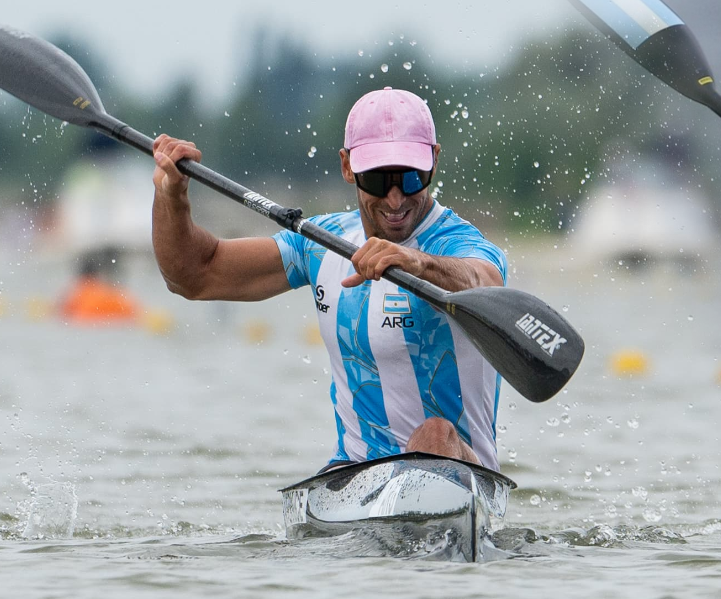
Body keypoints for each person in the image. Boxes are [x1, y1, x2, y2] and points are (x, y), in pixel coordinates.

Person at [151, 87, 508, 471]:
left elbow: (485, 282)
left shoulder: (459, 244)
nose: (394, 200)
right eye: (375, 179)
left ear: (434, 162)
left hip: (460, 473)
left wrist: (418, 262)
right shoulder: (322, 243)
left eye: (409, 178)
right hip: (356, 472)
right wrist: (172, 198)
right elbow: (193, 276)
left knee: (435, 433)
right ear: (347, 166)